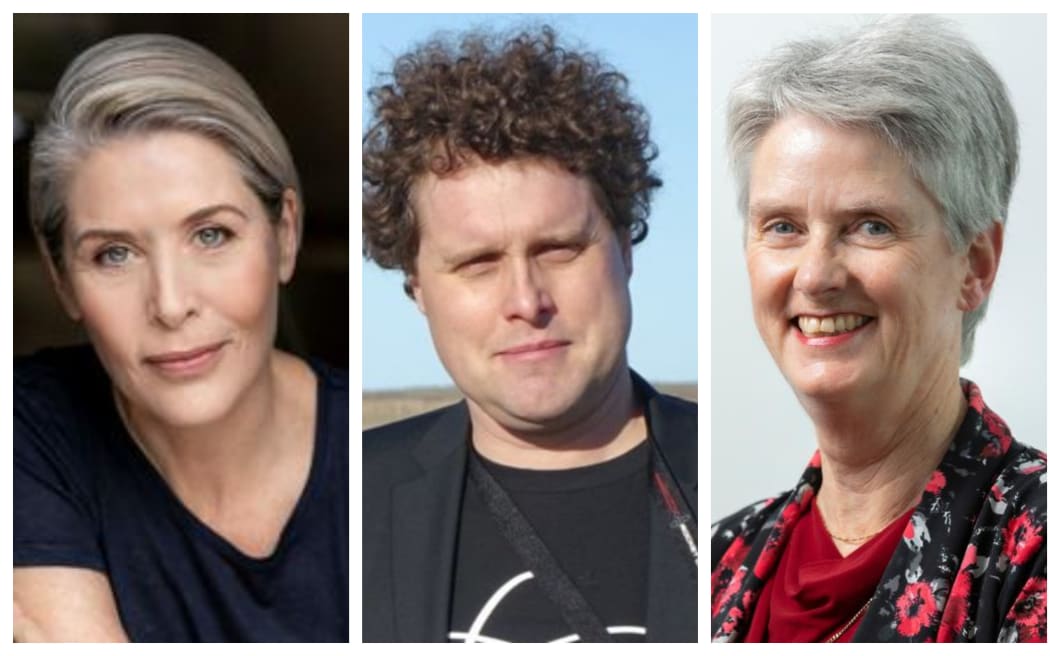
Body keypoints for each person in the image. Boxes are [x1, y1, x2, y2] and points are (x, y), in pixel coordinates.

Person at [711, 15, 1046, 643]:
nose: (815, 275)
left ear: (974, 265)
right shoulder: (717, 559)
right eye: (782, 226)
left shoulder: (1034, 545)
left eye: (871, 225)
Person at [362, 26, 697, 643]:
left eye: (560, 248)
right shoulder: (350, 504)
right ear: (417, 289)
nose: (526, 301)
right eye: (477, 263)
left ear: (625, 250)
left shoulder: (746, 491)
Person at [14, 34, 348, 642]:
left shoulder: (395, 460)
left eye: (212, 235)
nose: (170, 304)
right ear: (62, 278)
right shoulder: (29, 432)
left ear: (286, 235)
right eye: (114, 254)